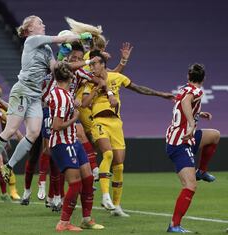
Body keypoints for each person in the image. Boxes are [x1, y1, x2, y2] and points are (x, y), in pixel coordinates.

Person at [0, 15, 93, 186]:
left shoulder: (47, 49)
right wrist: (80, 36)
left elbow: (56, 70)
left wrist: (62, 55)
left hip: (35, 96)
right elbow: (62, 37)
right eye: (40, 23)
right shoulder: (32, 40)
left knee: (33, 133)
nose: (44, 24)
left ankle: (8, 166)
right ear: (29, 28)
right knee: (11, 129)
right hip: (22, 89)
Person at [82, 50, 174, 216]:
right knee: (107, 154)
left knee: (119, 165)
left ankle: (116, 206)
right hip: (99, 122)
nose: (91, 67)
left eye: (94, 64)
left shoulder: (116, 78)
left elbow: (138, 88)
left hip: (116, 124)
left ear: (103, 64)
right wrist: (97, 90)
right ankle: (105, 196)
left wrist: (160, 94)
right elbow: (84, 104)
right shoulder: (90, 82)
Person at [49, 62, 104, 231]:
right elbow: (57, 126)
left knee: (87, 179)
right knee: (75, 183)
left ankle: (86, 219)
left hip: (73, 141)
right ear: (69, 77)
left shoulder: (65, 94)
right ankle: (63, 223)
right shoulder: (60, 96)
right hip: (62, 143)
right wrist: (75, 117)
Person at [165, 64, 220, 233]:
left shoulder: (184, 88)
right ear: (203, 79)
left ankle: (201, 171)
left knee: (214, 135)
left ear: (188, 77)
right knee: (190, 186)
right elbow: (187, 101)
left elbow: (183, 105)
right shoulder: (195, 91)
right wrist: (190, 124)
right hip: (180, 143)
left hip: (184, 137)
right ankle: (174, 225)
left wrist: (198, 115)